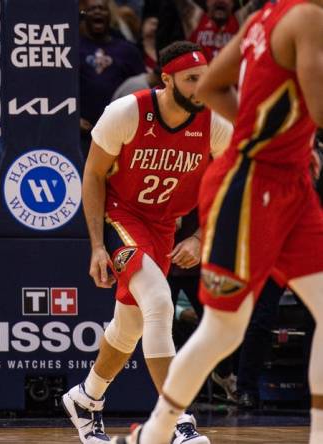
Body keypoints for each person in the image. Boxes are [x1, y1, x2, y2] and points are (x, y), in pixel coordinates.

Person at [125, 1, 323, 443]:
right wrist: (268, 143)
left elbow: (213, 86)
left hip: (291, 184)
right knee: (222, 329)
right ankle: (155, 433)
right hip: (249, 185)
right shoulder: (309, 18)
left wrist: (283, 141)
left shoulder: (262, 18)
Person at [63, 41, 233, 444]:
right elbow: (92, 175)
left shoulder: (215, 122)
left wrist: (199, 235)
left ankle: (86, 399)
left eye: (206, 77)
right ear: (166, 78)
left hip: (164, 225)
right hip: (118, 216)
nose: (201, 86)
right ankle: (176, 421)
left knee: (130, 325)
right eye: (192, 79)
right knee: (159, 302)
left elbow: (231, 185)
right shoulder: (126, 112)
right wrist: (97, 247)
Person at [78, 0, 145, 155]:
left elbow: (142, 88)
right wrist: (72, 119)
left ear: (110, 16)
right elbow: (60, 87)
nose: (97, 12)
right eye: (92, 9)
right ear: (84, 15)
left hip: (120, 132)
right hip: (83, 133)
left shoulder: (128, 51)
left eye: (102, 8)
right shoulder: (72, 47)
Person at [173, 0, 264, 60]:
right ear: (207, 2)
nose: (220, 1)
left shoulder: (240, 21)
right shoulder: (196, 19)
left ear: (233, 3)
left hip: (232, 87)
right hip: (199, 86)